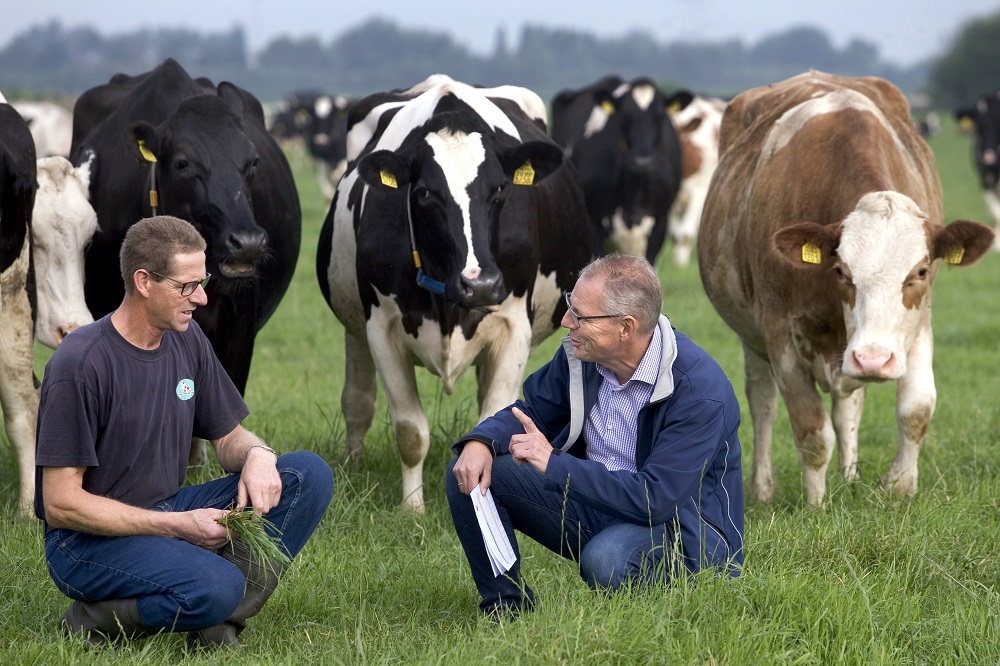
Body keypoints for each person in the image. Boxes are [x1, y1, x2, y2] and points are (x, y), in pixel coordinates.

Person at [34, 215, 334, 647]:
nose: (202, 297)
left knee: (308, 474)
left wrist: (258, 455)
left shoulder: (186, 338)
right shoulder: (79, 364)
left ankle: (216, 621)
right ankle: (97, 619)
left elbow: (229, 437)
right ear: (143, 282)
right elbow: (61, 503)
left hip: (167, 507)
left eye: (202, 281)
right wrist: (177, 526)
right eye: (186, 285)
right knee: (218, 586)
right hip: (85, 544)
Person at [447, 254, 744, 618]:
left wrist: (554, 465)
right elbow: (534, 412)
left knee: (607, 559)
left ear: (626, 327)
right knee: (469, 470)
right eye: (571, 304)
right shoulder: (580, 356)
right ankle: (506, 610)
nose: (565, 321)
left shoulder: (700, 393)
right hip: (599, 503)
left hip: (681, 535)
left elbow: (654, 499)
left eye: (580, 316)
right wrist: (481, 441)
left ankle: (654, 619)